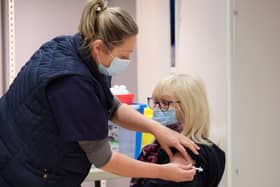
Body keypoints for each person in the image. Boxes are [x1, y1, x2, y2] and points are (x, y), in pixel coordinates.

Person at [0, 1, 200, 187]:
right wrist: (163, 172)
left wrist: (157, 129)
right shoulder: (73, 83)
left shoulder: (77, 49)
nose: (127, 61)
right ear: (98, 46)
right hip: (20, 171)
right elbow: (104, 158)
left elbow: (111, 105)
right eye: (123, 56)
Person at [130, 73, 226, 187]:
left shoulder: (182, 151)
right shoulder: (211, 149)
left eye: (165, 103)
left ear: (189, 107)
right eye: (155, 102)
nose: (156, 109)